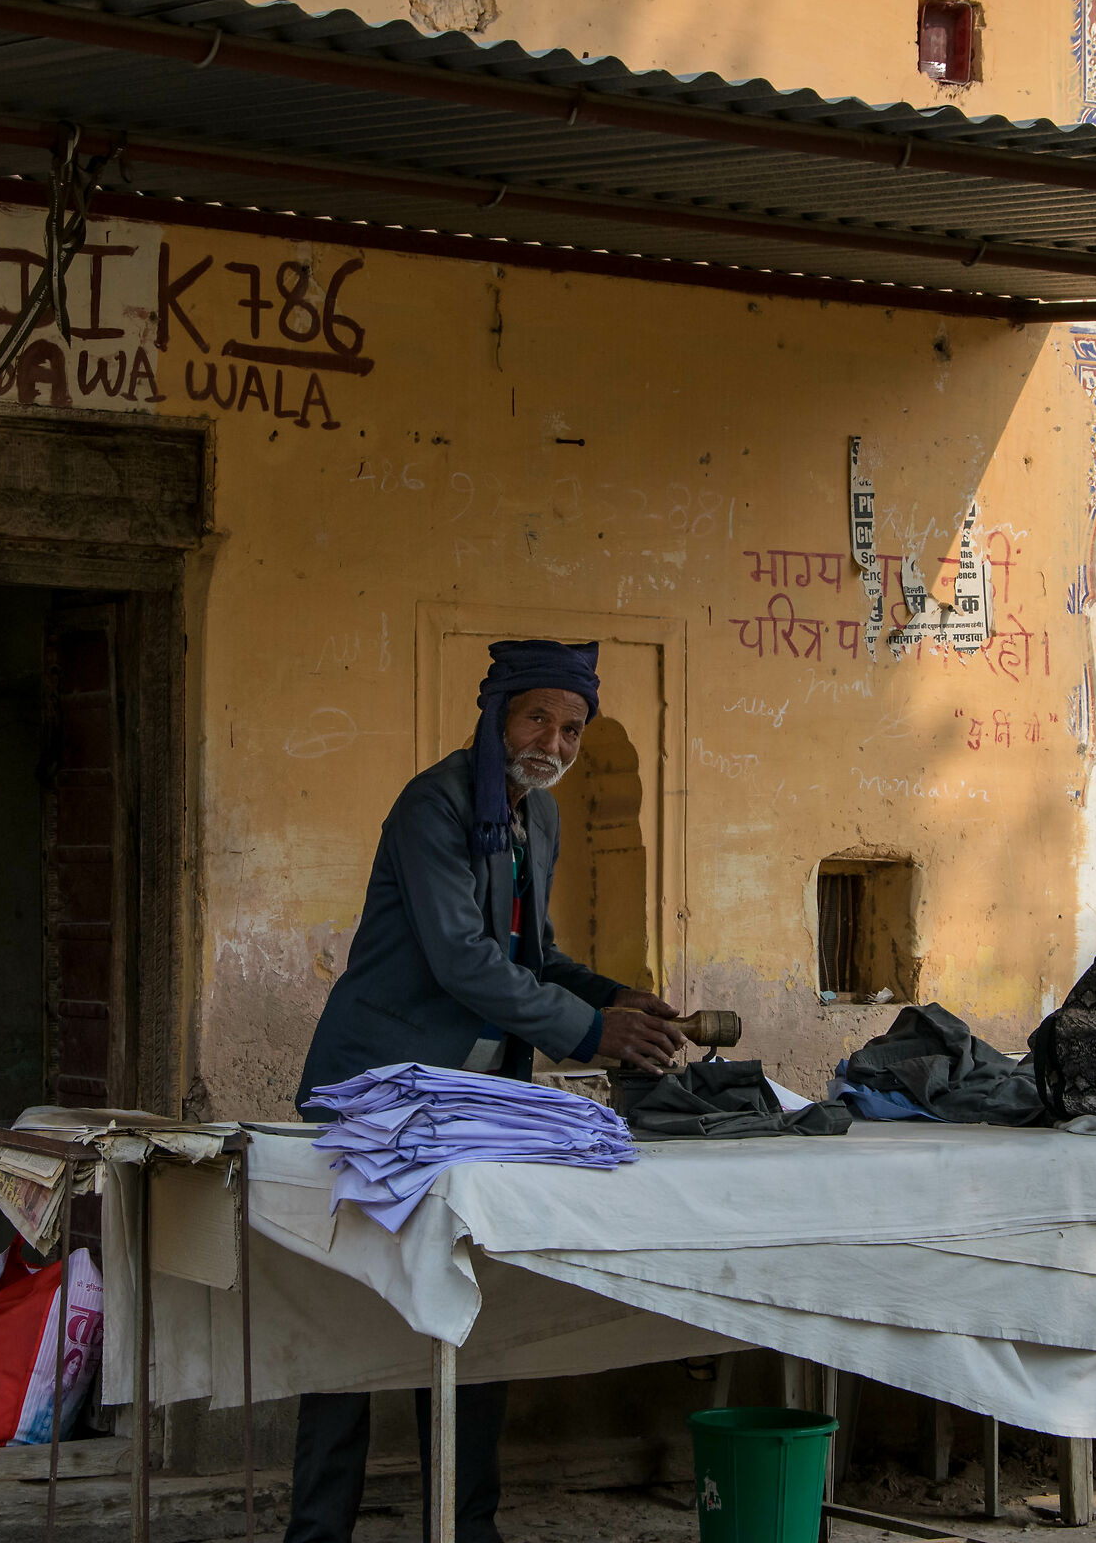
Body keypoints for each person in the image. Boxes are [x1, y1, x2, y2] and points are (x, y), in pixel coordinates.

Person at [286, 638, 688, 1543]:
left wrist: (612, 996)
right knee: (352, 1321)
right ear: (497, 713)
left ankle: (467, 1526)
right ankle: (317, 1532)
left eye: (574, 727)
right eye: (538, 716)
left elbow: (532, 956)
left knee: (472, 1314)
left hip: (473, 1109)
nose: (555, 740)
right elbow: (463, 960)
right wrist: (592, 1033)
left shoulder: (536, 818)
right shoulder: (431, 806)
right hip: (377, 1095)